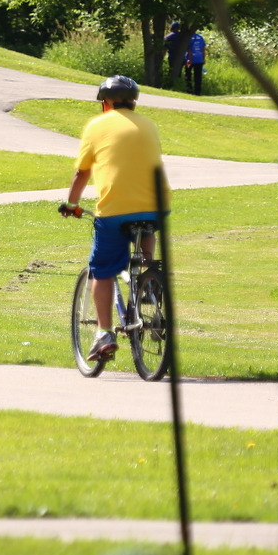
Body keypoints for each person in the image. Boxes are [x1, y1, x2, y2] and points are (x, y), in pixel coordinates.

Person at [58, 75, 167, 363]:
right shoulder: (149, 124)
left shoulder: (97, 125)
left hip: (115, 209)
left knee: (103, 270)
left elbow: (83, 172)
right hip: (157, 205)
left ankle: (104, 333)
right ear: (133, 101)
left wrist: (71, 203)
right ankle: (148, 278)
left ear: (105, 102)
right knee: (147, 225)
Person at [162, 22, 188, 89]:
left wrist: (163, 55)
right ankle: (178, 85)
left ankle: (171, 85)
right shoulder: (183, 37)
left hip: (172, 56)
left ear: (172, 28)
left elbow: (164, 48)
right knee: (179, 72)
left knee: (172, 71)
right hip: (182, 57)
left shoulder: (168, 37)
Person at [183, 27, 207, 95]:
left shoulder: (188, 38)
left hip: (189, 59)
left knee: (188, 75)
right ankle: (197, 92)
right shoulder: (200, 37)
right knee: (198, 77)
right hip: (199, 59)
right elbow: (203, 49)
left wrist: (189, 59)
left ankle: (189, 91)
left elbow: (188, 49)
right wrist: (203, 59)